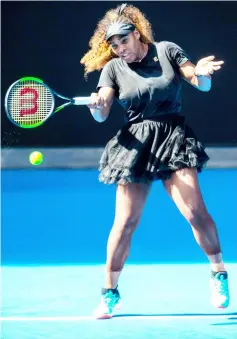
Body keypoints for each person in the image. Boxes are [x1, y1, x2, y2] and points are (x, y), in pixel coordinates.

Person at [80, 3, 229, 319]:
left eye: (124, 41)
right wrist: (97, 105)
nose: (121, 49)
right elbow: (103, 109)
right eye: (114, 45)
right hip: (135, 145)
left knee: (195, 212)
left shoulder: (167, 51)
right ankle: (109, 293)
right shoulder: (113, 69)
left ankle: (219, 274)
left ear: (136, 33)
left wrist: (202, 75)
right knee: (125, 223)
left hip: (173, 137)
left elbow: (197, 80)